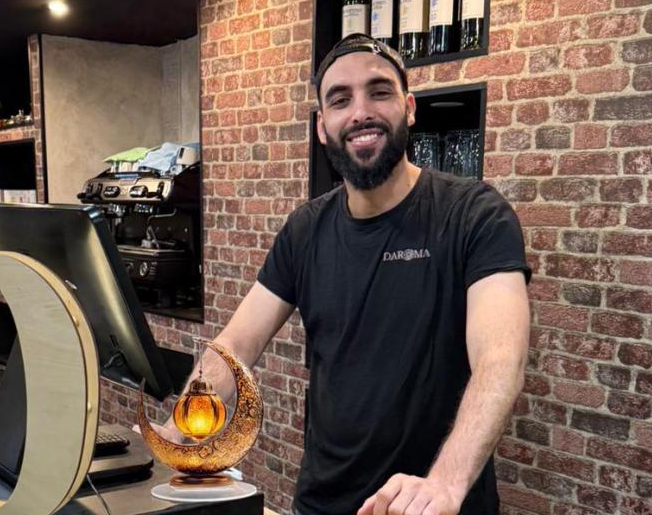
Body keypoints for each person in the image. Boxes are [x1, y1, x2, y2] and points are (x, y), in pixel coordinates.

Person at [155, 33, 531, 515]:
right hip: (323, 503)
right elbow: (236, 348)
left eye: (379, 91)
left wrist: (444, 484)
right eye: (340, 99)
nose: (360, 112)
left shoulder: (475, 215)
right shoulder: (305, 230)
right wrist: (181, 429)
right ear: (322, 127)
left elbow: (501, 361)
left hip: (428, 506)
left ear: (409, 107)